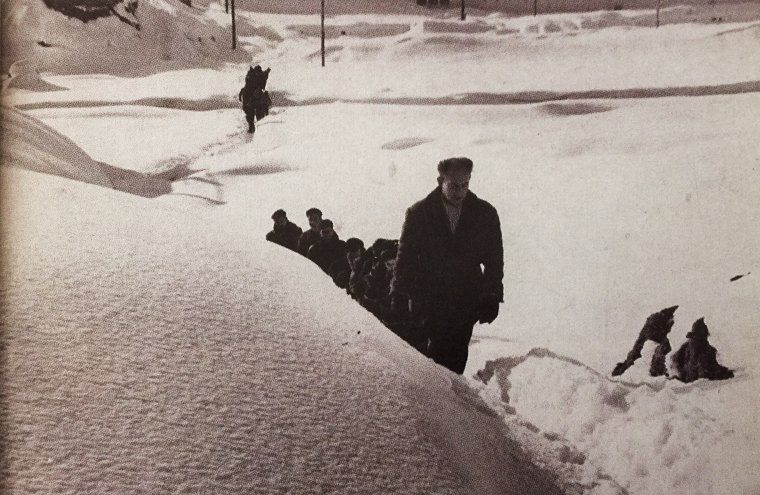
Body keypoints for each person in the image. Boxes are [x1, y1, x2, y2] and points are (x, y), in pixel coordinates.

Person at [390, 157, 504, 374]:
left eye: (465, 185)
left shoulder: (485, 213)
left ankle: (451, 402)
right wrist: (399, 293)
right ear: (439, 180)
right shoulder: (419, 213)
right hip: (430, 298)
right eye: (453, 186)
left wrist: (491, 294)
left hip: (466, 298)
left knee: (457, 355)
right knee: (432, 358)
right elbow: (405, 257)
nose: (460, 192)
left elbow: (494, 259)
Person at [612, 305, 678, 378]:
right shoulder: (656, 322)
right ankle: (657, 370)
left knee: (637, 352)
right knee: (638, 352)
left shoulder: (660, 320)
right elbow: (647, 336)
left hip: (654, 333)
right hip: (653, 334)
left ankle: (659, 370)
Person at [671, 318, 734, 383]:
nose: (705, 338)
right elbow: (676, 360)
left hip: (693, 376)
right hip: (696, 377)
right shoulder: (700, 347)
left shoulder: (707, 348)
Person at [238, 65, 272, 134]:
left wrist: (268, 70)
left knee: (259, 111)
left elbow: (265, 74)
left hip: (256, 96)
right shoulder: (251, 77)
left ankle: (260, 126)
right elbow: (247, 88)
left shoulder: (261, 76)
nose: (258, 74)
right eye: (257, 72)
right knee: (250, 113)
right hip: (250, 96)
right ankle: (252, 127)